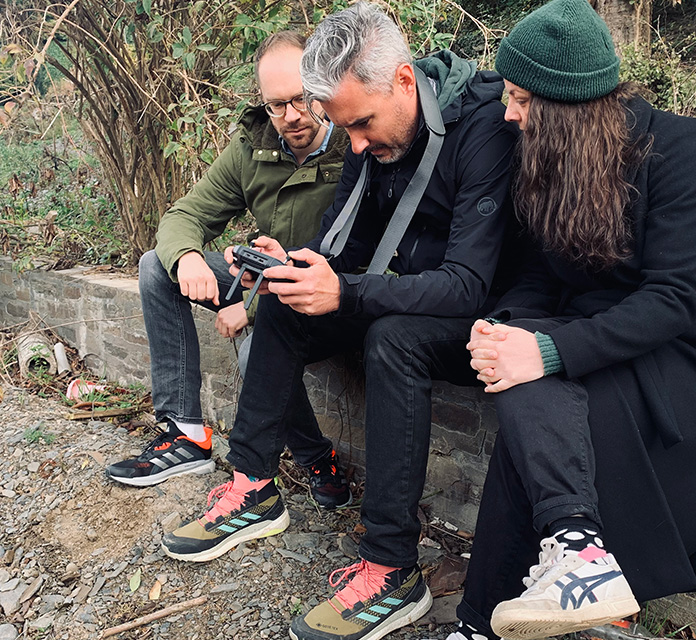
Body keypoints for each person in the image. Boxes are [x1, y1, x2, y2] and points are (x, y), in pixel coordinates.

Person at [158, 4, 519, 640]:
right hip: (391, 293)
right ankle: (253, 483)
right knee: (283, 296)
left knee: (391, 336)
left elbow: (468, 284)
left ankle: (392, 568)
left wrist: (347, 291)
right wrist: (302, 267)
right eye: (344, 126)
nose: (352, 144)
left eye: (361, 125)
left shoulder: (484, 127)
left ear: (404, 82)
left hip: (475, 316)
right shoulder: (367, 131)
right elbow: (344, 256)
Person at [441, 1, 696, 639]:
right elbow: (539, 275)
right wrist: (506, 329)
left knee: (532, 384)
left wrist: (545, 353)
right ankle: (574, 559)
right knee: (520, 375)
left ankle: (486, 618)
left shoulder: (684, 148)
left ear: (566, 107)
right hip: (604, 326)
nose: (507, 114)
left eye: (519, 99)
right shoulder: (543, 157)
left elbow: (676, 297)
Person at [104, 31, 354, 510]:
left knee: (255, 351)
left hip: (333, 292)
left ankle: (316, 458)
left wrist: (252, 305)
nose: (292, 116)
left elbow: (362, 257)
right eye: (276, 105)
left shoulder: (354, 143)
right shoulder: (254, 146)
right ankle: (185, 433)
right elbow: (185, 215)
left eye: (301, 98)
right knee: (157, 266)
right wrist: (191, 258)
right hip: (266, 278)